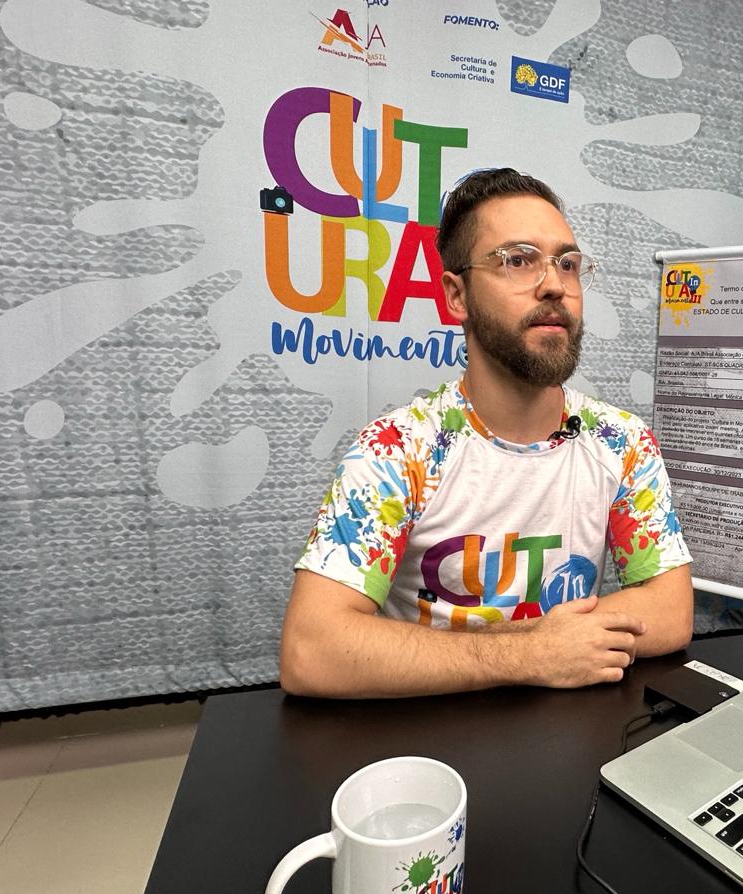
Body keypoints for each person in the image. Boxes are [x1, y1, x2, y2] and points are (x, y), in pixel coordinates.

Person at [280, 168, 693, 698]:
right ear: (457, 296)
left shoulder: (621, 442)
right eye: (518, 260)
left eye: (567, 263)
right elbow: (312, 650)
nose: (554, 285)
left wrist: (549, 649)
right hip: (428, 735)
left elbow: (670, 609)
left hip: (569, 729)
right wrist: (533, 653)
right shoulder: (398, 450)